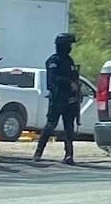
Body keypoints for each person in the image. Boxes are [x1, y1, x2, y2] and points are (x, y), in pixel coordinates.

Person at [34, 32, 80, 164]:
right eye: (69, 44)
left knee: (69, 128)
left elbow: (74, 77)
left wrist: (76, 88)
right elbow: (53, 79)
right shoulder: (53, 61)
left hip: (70, 99)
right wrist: (69, 83)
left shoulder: (69, 60)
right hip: (58, 98)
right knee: (50, 125)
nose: (70, 47)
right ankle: (38, 152)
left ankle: (69, 155)